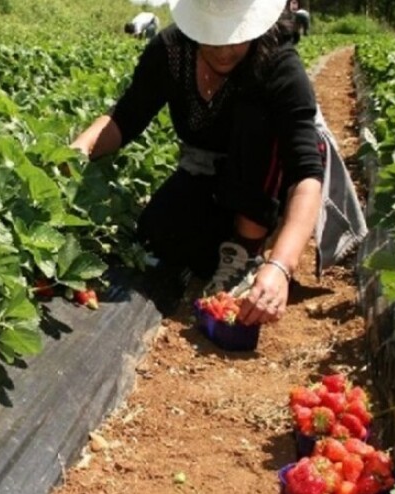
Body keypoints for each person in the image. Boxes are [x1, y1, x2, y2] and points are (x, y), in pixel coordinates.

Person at [71, 0, 323, 326]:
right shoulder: (171, 51)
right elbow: (126, 116)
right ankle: (222, 241)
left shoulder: (279, 64)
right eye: (212, 35)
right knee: (158, 236)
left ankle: (247, 247)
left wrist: (281, 265)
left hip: (268, 179)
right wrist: (77, 152)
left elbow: (306, 173)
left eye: (236, 35)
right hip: (207, 169)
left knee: (255, 116)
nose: (224, 50)